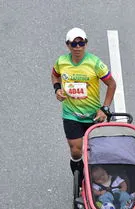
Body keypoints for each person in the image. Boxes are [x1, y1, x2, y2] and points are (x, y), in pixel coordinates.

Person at [51, 27, 116, 185]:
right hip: (71, 114)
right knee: (76, 150)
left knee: (97, 152)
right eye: (74, 44)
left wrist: (105, 108)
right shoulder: (62, 62)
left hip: (94, 115)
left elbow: (112, 84)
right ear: (68, 45)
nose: (78, 47)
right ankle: (81, 182)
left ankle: (99, 181)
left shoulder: (95, 63)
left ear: (86, 44)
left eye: (81, 43)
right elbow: (54, 74)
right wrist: (57, 89)